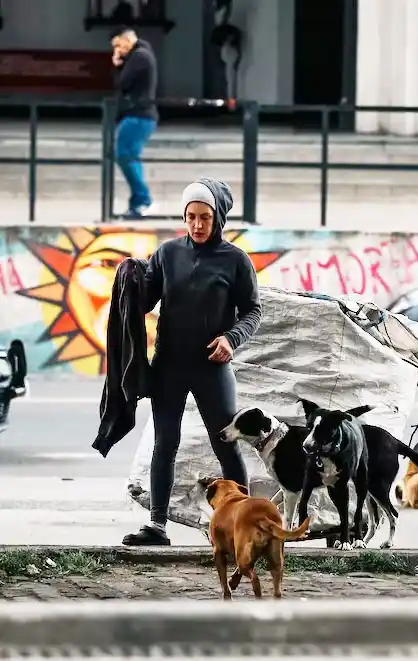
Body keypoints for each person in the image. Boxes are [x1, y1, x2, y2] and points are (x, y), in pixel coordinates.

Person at [123, 178, 263, 546]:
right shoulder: (167, 254)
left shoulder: (235, 260)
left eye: (205, 217)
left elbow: (252, 311)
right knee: (164, 443)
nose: (197, 225)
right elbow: (145, 301)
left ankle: (242, 523)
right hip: (168, 365)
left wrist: (231, 339)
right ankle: (156, 526)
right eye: (191, 217)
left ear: (218, 218)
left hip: (211, 368)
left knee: (225, 444)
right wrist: (131, 280)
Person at [112, 28, 158, 219]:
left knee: (124, 154)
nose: (117, 49)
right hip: (141, 115)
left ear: (127, 40)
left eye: (118, 45)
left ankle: (143, 199)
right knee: (130, 156)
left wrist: (118, 63)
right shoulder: (142, 55)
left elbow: (123, 83)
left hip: (138, 115)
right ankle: (138, 202)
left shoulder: (138, 57)